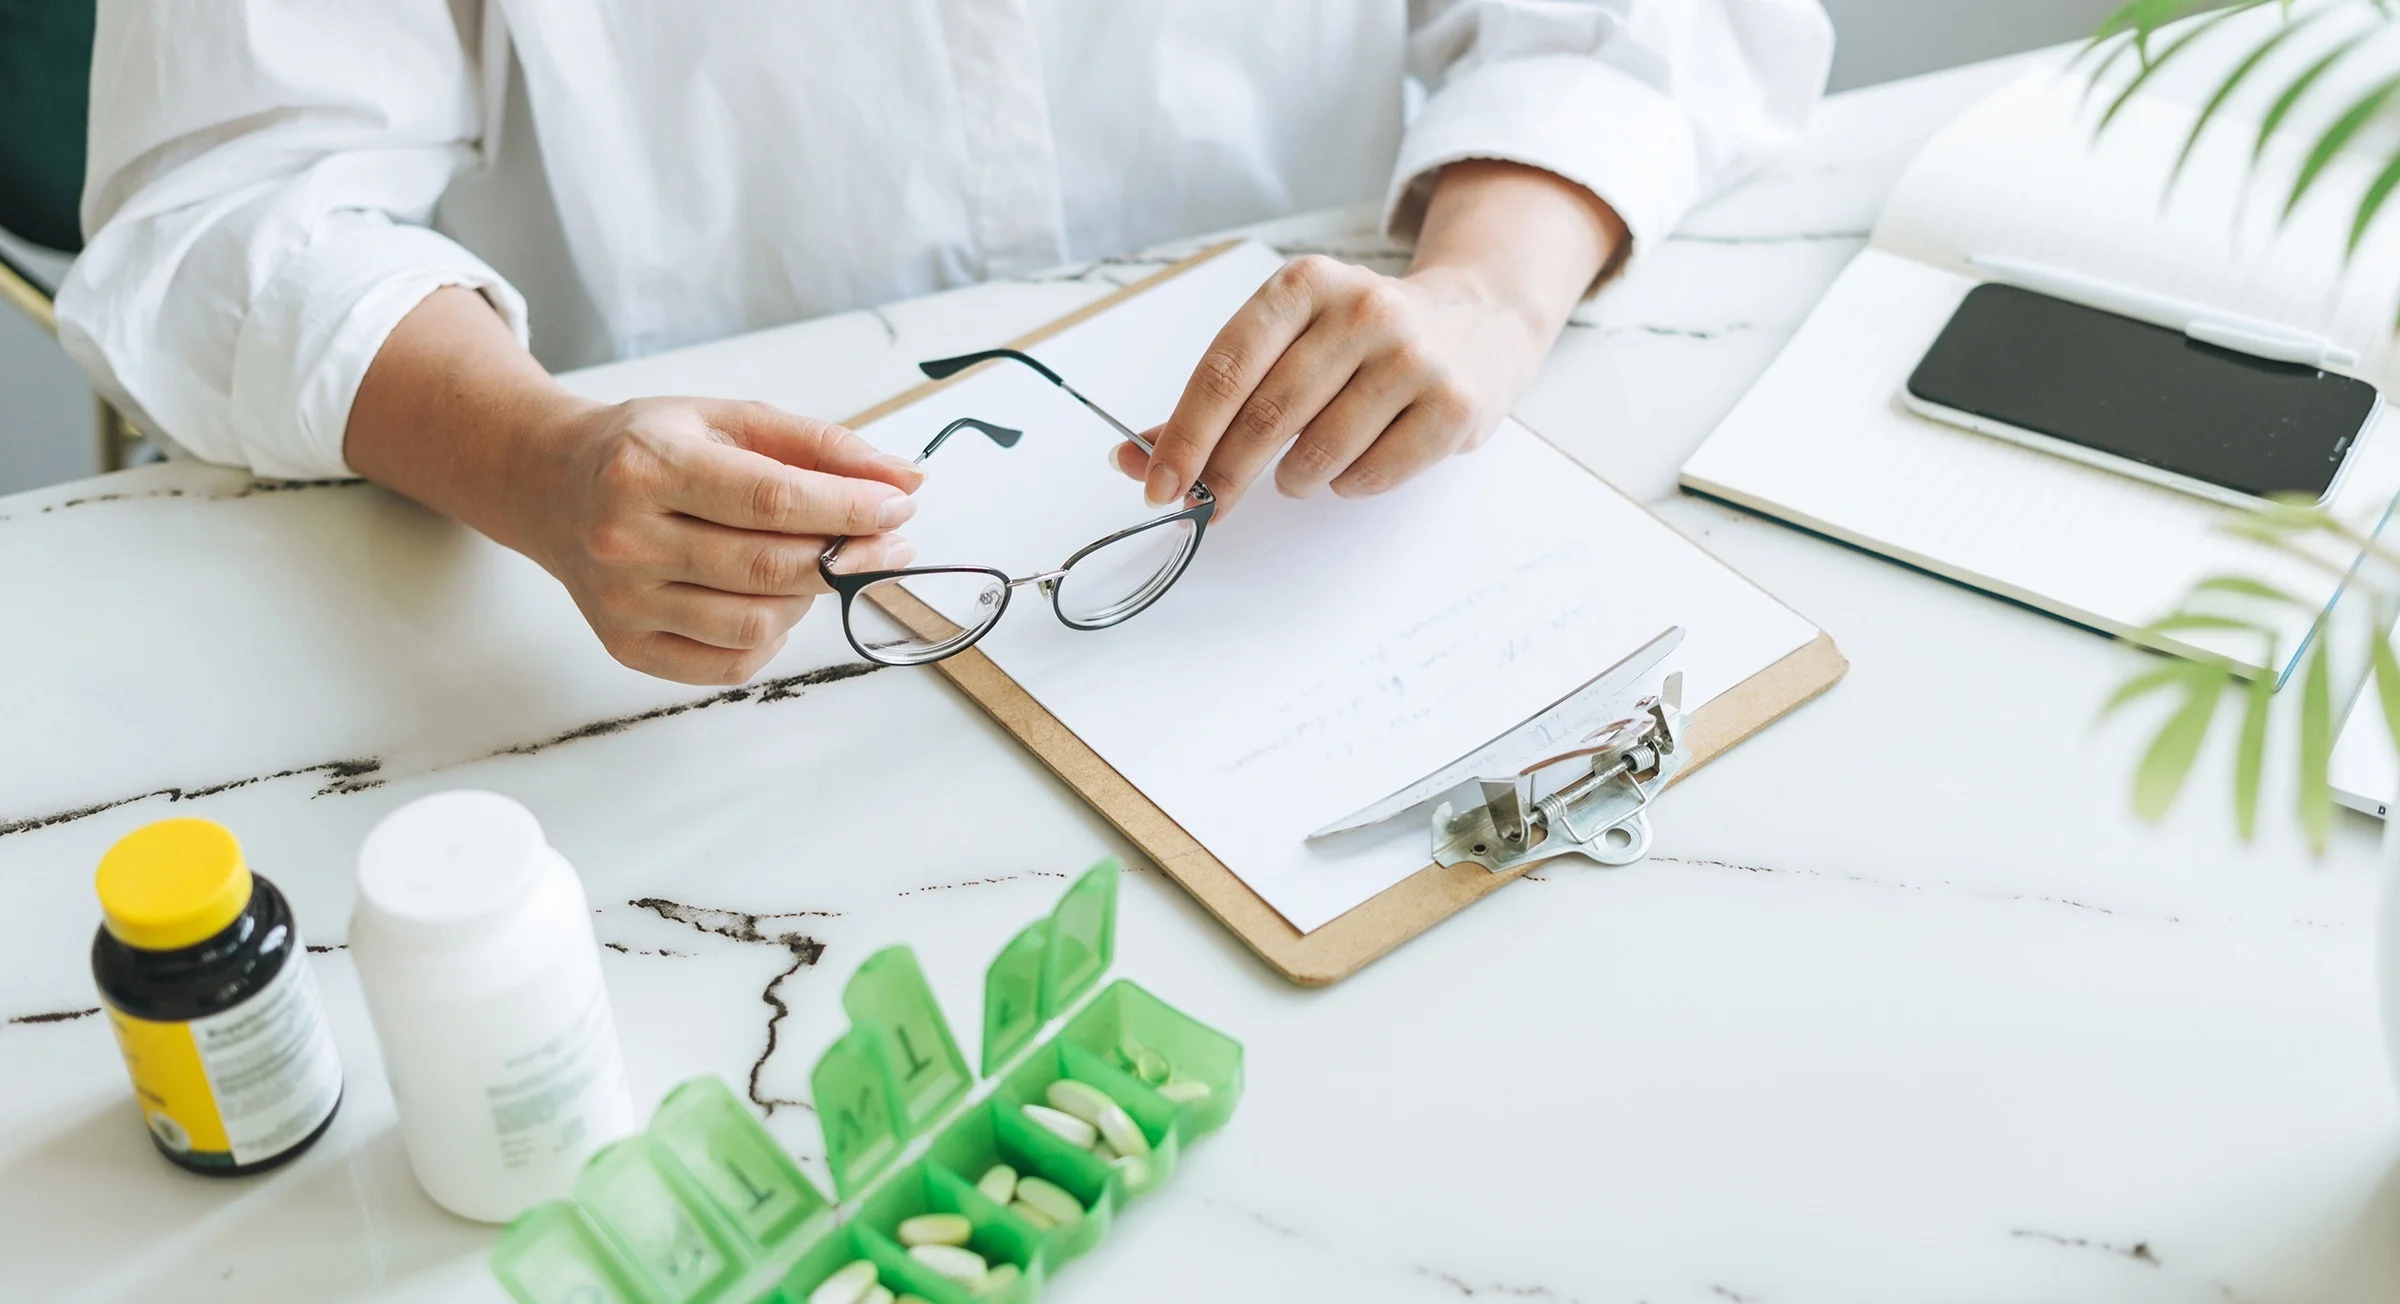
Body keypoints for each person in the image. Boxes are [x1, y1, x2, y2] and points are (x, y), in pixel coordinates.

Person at [60, 2, 1831, 685]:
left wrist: (1487, 287)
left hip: (1344, 531)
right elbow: (234, 202)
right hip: (708, 618)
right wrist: (531, 453)